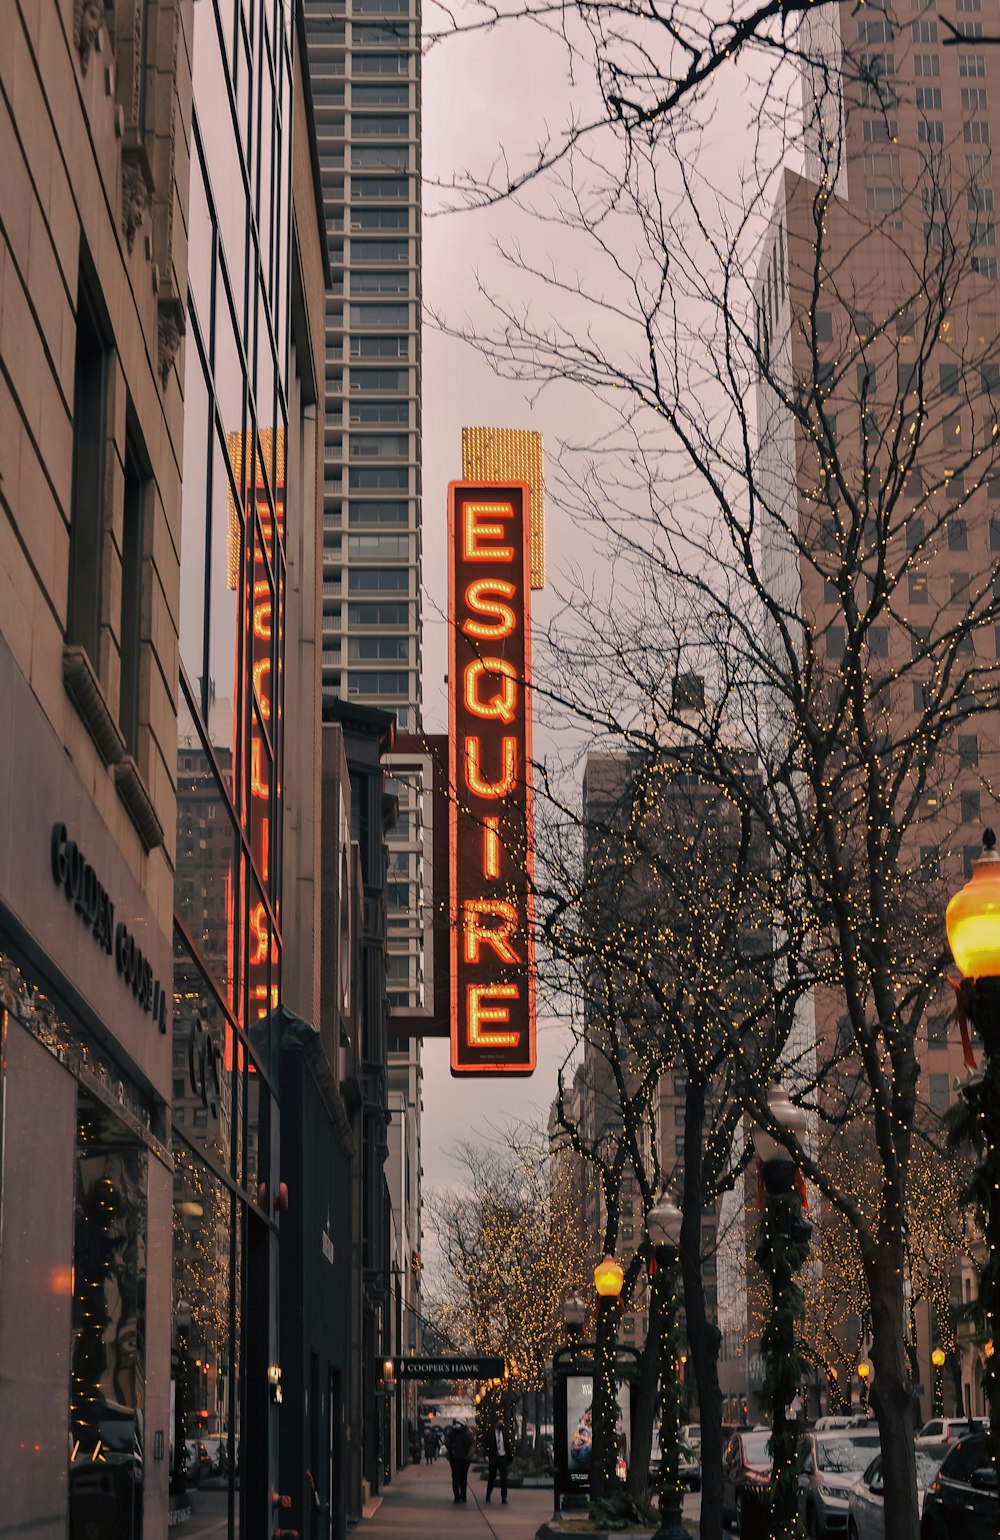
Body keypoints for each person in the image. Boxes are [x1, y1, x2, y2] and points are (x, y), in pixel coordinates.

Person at [444, 1418, 474, 1502]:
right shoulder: (468, 1432)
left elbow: (446, 1442)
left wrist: (451, 1447)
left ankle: (457, 1496)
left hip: (455, 1458)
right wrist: (469, 1454)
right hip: (463, 1458)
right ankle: (462, 1496)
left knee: (456, 1477)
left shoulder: (452, 1432)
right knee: (463, 1477)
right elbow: (472, 1444)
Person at [485, 1419, 510, 1504]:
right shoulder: (490, 1434)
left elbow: (508, 1446)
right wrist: (486, 1455)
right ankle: (488, 1495)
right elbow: (486, 1445)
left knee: (504, 1477)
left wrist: (509, 1457)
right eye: (499, 1423)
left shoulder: (505, 1434)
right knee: (492, 1477)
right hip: (494, 1457)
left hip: (503, 1457)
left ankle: (504, 1497)